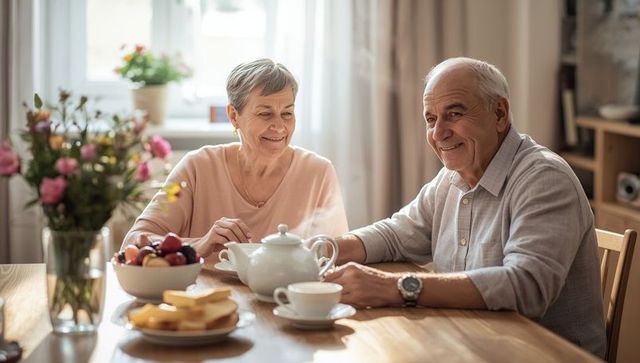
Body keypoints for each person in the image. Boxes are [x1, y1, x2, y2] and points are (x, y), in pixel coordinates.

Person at [324, 57, 606, 357]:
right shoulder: (452, 176)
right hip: (471, 342)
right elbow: (397, 234)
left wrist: (395, 287)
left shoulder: (545, 178)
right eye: (431, 119)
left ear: (499, 113)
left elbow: (527, 286)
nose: (439, 133)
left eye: (454, 114)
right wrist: (323, 250)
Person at [123, 58, 349, 261]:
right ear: (233, 116)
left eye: (287, 113)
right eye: (265, 113)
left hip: (282, 303)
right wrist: (200, 245)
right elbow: (133, 242)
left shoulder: (318, 172)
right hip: (202, 302)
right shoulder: (197, 167)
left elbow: (337, 254)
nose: (280, 126)